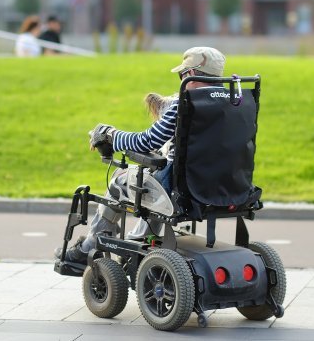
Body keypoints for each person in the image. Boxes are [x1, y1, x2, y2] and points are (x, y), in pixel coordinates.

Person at [56, 46, 226, 265]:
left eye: (181, 74)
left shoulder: (184, 104)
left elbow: (146, 142)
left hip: (180, 189)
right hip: (221, 187)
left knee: (121, 179)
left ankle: (91, 246)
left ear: (191, 74)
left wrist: (111, 135)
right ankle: (139, 239)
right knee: (148, 183)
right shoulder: (235, 102)